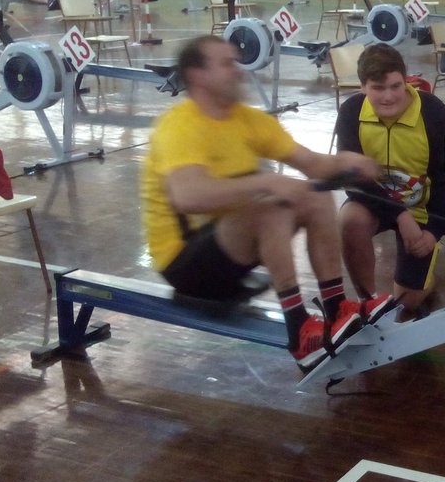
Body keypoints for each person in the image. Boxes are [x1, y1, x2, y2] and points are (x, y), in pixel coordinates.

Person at [142, 36, 379, 371]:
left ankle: (336, 306)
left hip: (229, 249)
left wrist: (349, 163)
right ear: (197, 76)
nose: (238, 70)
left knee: (314, 194)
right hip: (184, 263)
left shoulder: (246, 120)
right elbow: (188, 196)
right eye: (226, 64)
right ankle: (298, 329)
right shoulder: (179, 126)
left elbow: (313, 164)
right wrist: (267, 182)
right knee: (270, 203)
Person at [335, 44, 445, 321]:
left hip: (422, 212)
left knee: (408, 302)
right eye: (378, 88)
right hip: (375, 205)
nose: (389, 96)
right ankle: (368, 303)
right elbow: (353, 179)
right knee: (350, 219)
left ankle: (424, 272)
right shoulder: (350, 112)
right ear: (362, 87)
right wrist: (399, 214)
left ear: (406, 80)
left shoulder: (433, 112)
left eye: (396, 86)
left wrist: (433, 232)